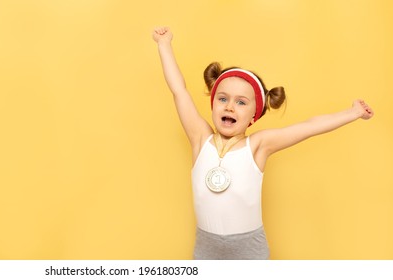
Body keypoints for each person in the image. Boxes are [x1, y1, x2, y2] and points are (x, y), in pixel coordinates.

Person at [151, 26, 374, 259]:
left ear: (254, 115)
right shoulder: (200, 139)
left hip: (249, 247)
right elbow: (179, 91)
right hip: (207, 246)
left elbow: (309, 127)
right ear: (214, 104)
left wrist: (353, 113)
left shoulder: (257, 145)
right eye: (223, 99)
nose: (229, 106)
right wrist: (164, 45)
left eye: (241, 102)